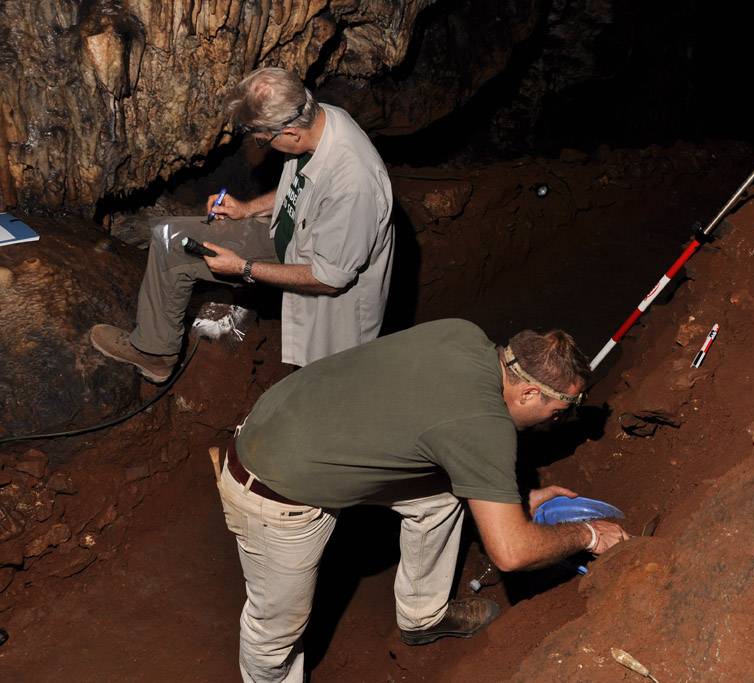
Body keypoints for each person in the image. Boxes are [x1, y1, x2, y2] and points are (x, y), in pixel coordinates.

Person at [215, 318, 631, 682]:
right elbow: (511, 553)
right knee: (276, 629)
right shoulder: (483, 427)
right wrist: (588, 535)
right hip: (273, 483)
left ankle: (422, 616)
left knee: (442, 498)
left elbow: (442, 428)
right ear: (526, 395)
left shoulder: (462, 335)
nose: (555, 422)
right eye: (557, 411)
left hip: (293, 421)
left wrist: (516, 499)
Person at [90, 67, 394, 381]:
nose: (262, 145)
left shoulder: (354, 183)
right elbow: (305, 185)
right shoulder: (317, 118)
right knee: (170, 238)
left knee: (319, 389)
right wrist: (247, 209)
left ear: (289, 132)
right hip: (291, 238)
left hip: (329, 291)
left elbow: (329, 278)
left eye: (263, 140)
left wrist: (242, 268)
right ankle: (153, 353)